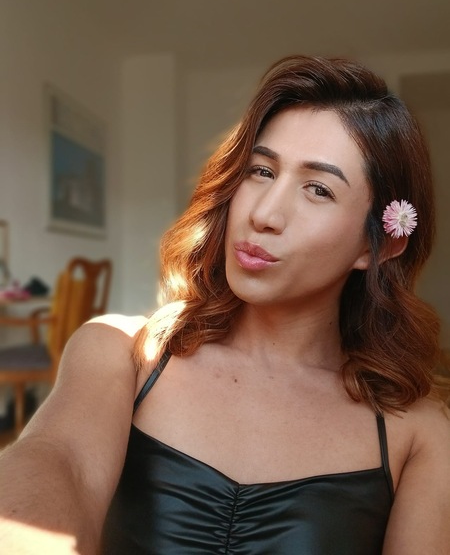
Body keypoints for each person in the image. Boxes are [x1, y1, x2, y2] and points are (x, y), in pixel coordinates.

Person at [1, 55, 449, 554]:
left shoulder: (419, 434)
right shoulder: (122, 352)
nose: (264, 213)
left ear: (379, 245)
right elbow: (57, 460)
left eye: (318, 189)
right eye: (261, 170)